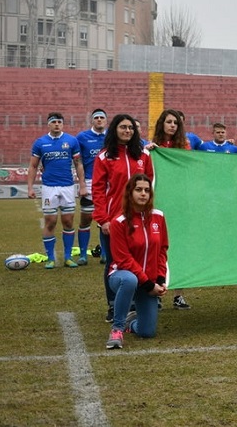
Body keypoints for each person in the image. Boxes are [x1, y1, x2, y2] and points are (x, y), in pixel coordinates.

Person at [93, 114, 154, 322]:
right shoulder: (104, 157)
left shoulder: (144, 154)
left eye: (130, 128)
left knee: (139, 260)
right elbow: (98, 190)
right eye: (123, 127)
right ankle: (113, 306)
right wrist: (103, 219)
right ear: (115, 129)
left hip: (139, 220)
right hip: (113, 221)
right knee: (114, 263)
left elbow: (150, 184)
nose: (127, 131)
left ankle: (137, 304)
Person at [106, 174, 169, 349]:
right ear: (130, 193)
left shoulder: (159, 217)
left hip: (148, 281)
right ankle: (117, 329)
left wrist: (160, 280)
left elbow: (162, 250)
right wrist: (148, 284)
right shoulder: (119, 222)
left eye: (147, 190)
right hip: (122, 276)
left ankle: (131, 323)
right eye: (138, 189)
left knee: (147, 332)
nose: (143, 194)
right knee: (129, 280)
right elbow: (123, 259)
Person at [27, 112, 87, 268]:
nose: (57, 124)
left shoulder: (71, 141)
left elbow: (78, 164)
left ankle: (68, 257)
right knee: (50, 222)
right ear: (48, 124)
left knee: (68, 221)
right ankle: (50, 258)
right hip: (49, 187)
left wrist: (82, 185)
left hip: (67, 186)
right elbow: (33, 166)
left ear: (62, 124)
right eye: (54, 122)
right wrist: (30, 187)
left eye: (59, 122)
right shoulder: (40, 143)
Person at [148, 109, 191, 310]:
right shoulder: (153, 147)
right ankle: (156, 292)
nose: (172, 125)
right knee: (157, 248)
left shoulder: (184, 147)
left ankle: (178, 295)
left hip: (180, 203)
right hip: (159, 204)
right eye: (169, 122)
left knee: (180, 247)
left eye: (175, 123)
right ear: (162, 124)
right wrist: (149, 152)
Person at [75, 108, 108, 265]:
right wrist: (81, 184)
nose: (99, 120)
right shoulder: (82, 137)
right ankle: (83, 255)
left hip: (108, 183)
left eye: (102, 117)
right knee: (86, 219)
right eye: (97, 117)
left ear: (106, 120)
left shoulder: (112, 136)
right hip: (89, 181)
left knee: (105, 220)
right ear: (92, 120)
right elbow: (78, 161)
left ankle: (105, 254)